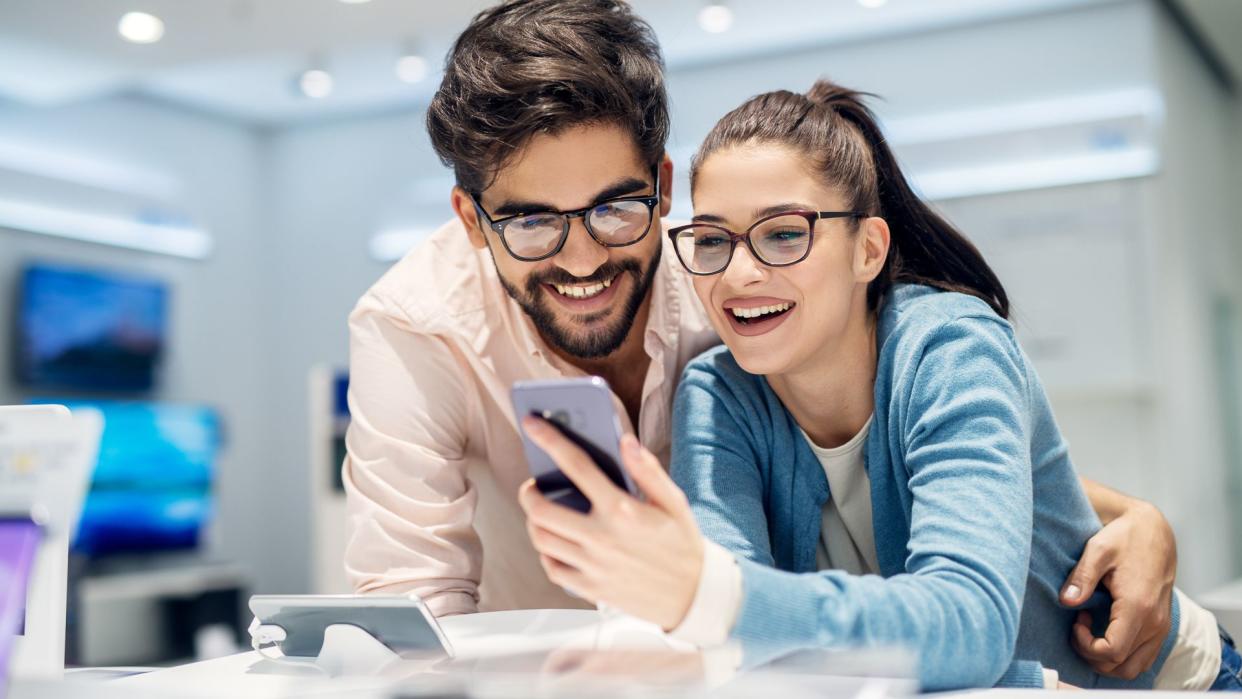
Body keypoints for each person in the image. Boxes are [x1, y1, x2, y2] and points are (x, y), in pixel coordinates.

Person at [344, 0, 1178, 679]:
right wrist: (712, 605)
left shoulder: (736, 298)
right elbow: (412, 610)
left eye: (615, 208)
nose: (585, 255)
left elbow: (946, 467)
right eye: (530, 221)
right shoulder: (424, 329)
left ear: (662, 190)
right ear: (472, 222)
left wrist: (1134, 513)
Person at [516, 80, 1242, 690]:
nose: (738, 274)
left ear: (867, 248)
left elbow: (970, 624)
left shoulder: (951, 347)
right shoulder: (716, 390)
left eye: (783, 233)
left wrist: (713, 599)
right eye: (712, 239)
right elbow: (746, 646)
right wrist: (694, 618)